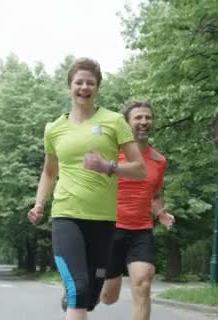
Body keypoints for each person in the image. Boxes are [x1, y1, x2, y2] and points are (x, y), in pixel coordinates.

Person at [27, 58, 146, 320]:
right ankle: (73, 295)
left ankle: (72, 299)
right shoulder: (54, 129)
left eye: (90, 83)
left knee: (91, 297)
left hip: (102, 220)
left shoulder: (114, 121)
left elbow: (140, 169)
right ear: (69, 86)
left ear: (97, 88)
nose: (84, 87)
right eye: (78, 82)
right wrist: (39, 205)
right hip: (66, 215)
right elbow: (49, 172)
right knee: (79, 289)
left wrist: (108, 167)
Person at [99, 101, 175, 320]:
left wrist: (161, 214)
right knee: (108, 296)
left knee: (142, 283)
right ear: (127, 123)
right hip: (110, 229)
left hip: (141, 231)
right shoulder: (112, 154)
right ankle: (83, 289)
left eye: (148, 118)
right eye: (138, 118)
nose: (144, 122)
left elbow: (156, 195)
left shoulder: (159, 160)